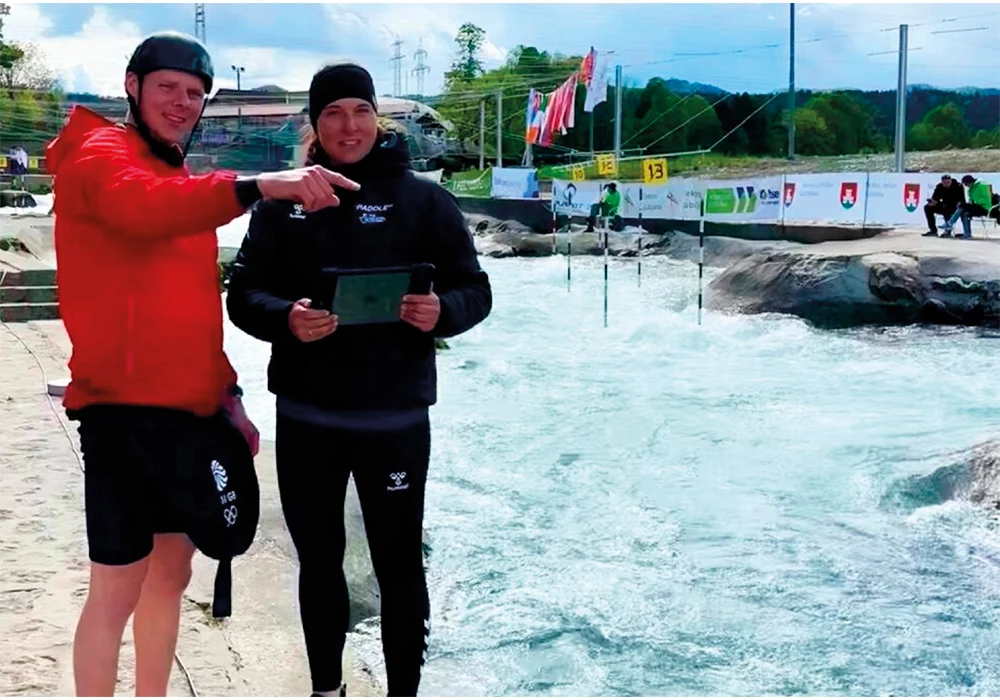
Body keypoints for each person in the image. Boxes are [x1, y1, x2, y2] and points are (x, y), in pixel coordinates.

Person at [45, 31, 359, 697]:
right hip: (120, 416)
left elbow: (192, 313)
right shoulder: (98, 155)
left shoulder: (178, 178)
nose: (183, 103)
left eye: (195, 94)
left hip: (189, 418)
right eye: (168, 88)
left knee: (170, 577)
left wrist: (229, 397)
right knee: (116, 587)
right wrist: (261, 185)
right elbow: (138, 207)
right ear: (132, 87)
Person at [226, 62, 492, 697]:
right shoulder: (284, 202)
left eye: (361, 112)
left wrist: (440, 311)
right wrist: (287, 318)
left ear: (378, 118)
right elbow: (243, 295)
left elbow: (475, 290)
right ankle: (327, 689)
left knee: (399, 565)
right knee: (319, 562)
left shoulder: (424, 201)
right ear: (315, 125)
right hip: (307, 418)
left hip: (395, 419)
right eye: (334, 114)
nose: (350, 126)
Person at [945, 175, 994, 240]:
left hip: (985, 208)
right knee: (964, 212)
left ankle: (950, 223)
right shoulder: (971, 188)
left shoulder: (982, 185)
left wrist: (975, 201)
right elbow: (970, 199)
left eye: (966, 184)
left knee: (962, 205)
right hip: (976, 207)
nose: (966, 186)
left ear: (970, 182)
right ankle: (967, 233)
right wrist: (971, 202)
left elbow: (986, 199)